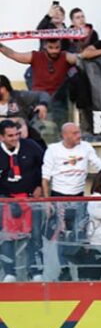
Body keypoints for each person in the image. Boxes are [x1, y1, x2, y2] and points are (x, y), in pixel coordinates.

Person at [0, 118, 43, 282]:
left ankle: (36, 271)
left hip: (31, 199)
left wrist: (40, 185)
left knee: (36, 236)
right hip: (5, 201)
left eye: (17, 134)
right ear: (1, 137)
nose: (15, 138)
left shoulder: (31, 146)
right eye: (10, 136)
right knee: (6, 237)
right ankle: (10, 272)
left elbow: (45, 166)